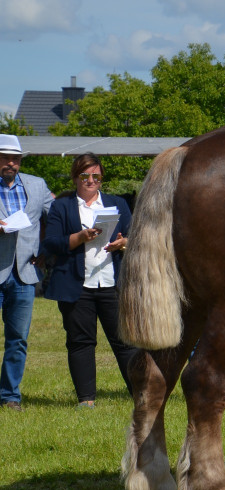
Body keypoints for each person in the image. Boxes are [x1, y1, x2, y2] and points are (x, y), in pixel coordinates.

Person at [41, 153, 137, 408]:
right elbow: (50, 243)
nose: (91, 180)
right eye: (85, 176)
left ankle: (141, 394)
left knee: (125, 341)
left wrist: (123, 243)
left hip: (111, 283)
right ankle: (86, 400)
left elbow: (134, 237)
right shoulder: (61, 206)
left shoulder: (117, 203)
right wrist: (80, 237)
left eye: (96, 176)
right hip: (76, 285)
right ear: (75, 178)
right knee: (81, 342)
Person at [0, 135, 53, 412]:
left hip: (24, 274)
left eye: (16, 158)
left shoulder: (37, 185)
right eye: (6, 157)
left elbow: (56, 218)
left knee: (18, 339)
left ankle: (10, 396)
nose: (11, 163)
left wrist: (47, 249)